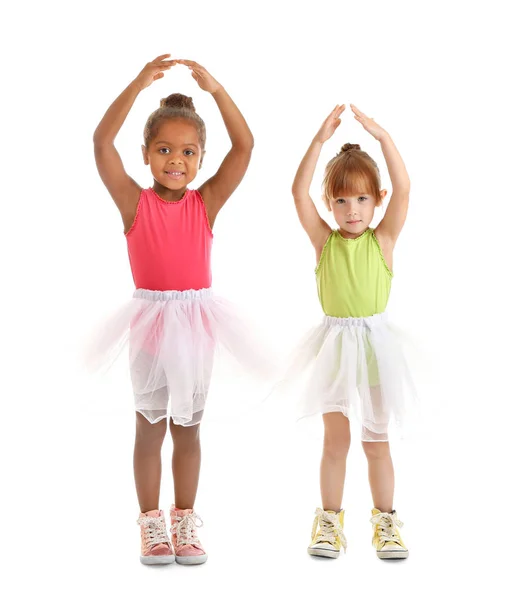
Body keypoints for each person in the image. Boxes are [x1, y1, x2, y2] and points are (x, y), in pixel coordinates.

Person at [91, 54, 267, 565]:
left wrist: (215, 89)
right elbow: (101, 143)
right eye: (164, 149)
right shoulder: (134, 203)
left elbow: (247, 145)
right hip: (149, 324)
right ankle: (151, 525)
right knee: (151, 426)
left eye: (188, 151)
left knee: (189, 427)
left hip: (195, 326)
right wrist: (135, 84)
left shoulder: (206, 203)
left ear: (201, 157)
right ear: (146, 154)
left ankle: (185, 520)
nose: (175, 159)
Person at [290, 103, 418, 560]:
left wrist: (382, 136)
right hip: (335, 348)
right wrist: (319, 139)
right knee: (336, 440)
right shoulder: (324, 242)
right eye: (341, 200)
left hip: (376, 349)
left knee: (377, 439)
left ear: (376, 199)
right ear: (330, 204)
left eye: (362, 198)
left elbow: (404, 187)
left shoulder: (383, 240)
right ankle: (329, 521)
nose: (351, 209)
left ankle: (386, 521)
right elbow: (297, 192)